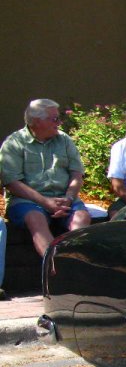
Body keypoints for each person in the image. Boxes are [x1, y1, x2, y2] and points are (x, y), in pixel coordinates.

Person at [0, 98, 90, 261]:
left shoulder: (64, 140)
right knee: (36, 219)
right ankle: (55, 266)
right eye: (54, 119)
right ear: (36, 121)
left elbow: (76, 173)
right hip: (27, 201)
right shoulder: (14, 143)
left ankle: (73, 263)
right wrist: (44, 202)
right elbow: (12, 183)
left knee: (82, 217)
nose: (59, 122)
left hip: (64, 198)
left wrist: (69, 198)